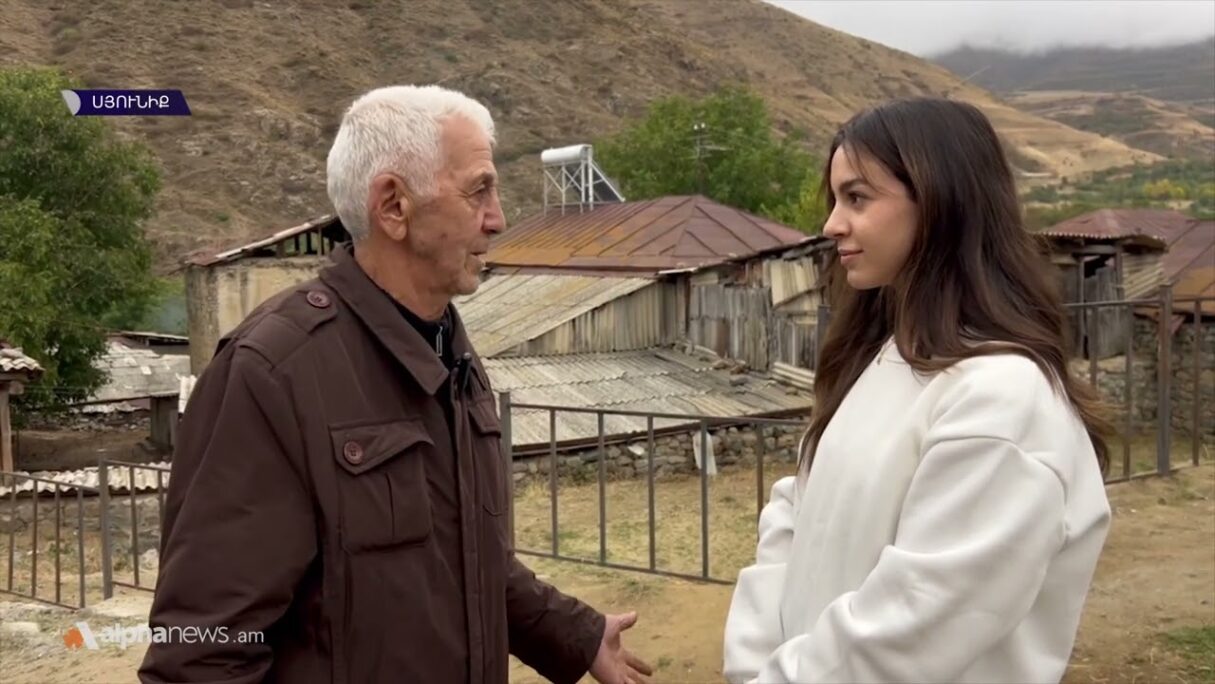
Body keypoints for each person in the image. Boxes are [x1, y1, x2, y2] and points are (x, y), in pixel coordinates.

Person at [139, 85, 652, 684]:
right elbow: (200, 654)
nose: (498, 218)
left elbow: (460, 556)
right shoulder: (272, 372)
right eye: (479, 190)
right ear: (394, 207)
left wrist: (574, 634)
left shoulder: (451, 352)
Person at [722, 97, 1113, 684]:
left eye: (857, 198)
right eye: (836, 200)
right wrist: (754, 664)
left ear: (939, 203)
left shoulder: (1002, 401)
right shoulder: (883, 358)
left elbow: (915, 624)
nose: (832, 225)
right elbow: (794, 511)